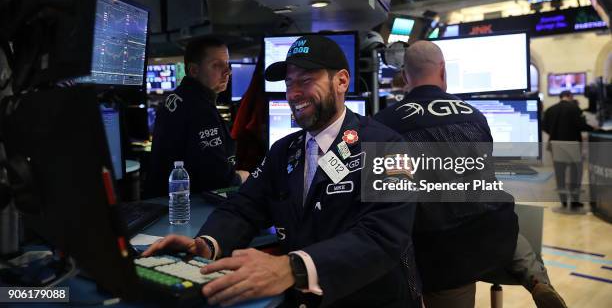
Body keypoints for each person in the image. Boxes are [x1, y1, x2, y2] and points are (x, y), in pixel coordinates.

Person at [143, 35, 419, 307]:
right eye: (289, 82)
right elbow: (244, 207)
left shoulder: (387, 147)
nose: (293, 93)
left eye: (306, 80)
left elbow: (383, 236)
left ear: (342, 81)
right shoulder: (284, 151)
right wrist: (208, 244)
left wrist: (293, 268)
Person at [374, 41, 566, 308]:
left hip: (441, 251)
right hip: (493, 229)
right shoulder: (475, 116)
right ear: (443, 72)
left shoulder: (384, 124)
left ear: (405, 76)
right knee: (503, 223)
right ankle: (537, 279)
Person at [147, 37, 249, 197]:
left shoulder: (175, 97)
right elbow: (219, 180)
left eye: (227, 64)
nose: (227, 71)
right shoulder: (201, 111)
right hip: (188, 208)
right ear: (194, 70)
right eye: (217, 65)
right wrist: (244, 176)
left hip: (163, 202)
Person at [543, 90, 595, 209]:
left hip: (556, 146)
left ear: (560, 97)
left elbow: (544, 126)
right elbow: (581, 125)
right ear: (570, 96)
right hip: (573, 146)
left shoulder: (550, 110)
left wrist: (554, 133)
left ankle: (563, 201)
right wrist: (594, 128)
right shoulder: (574, 108)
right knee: (575, 173)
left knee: (559, 174)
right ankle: (575, 201)